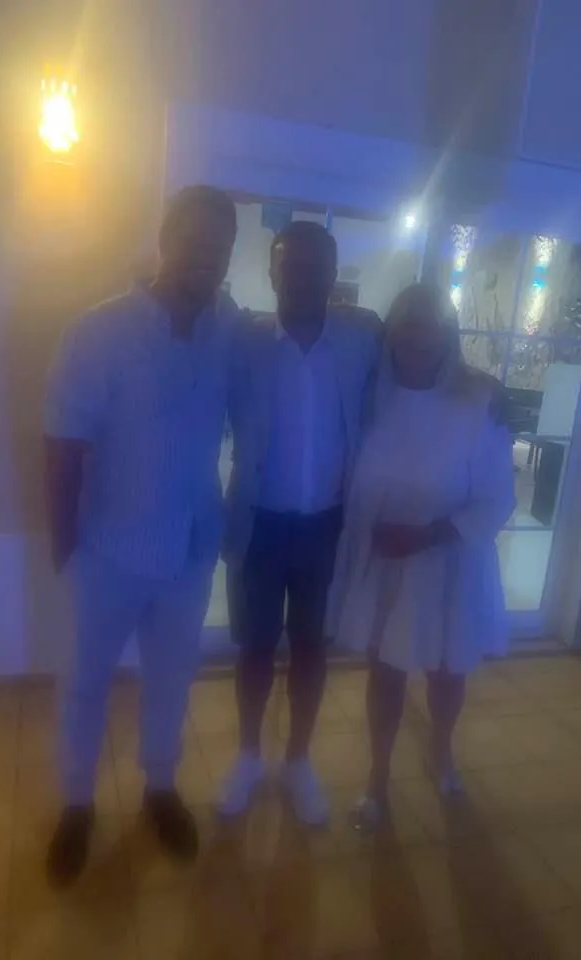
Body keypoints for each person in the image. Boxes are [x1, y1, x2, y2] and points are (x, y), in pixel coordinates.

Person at [43, 185, 238, 883]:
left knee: (171, 680)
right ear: (165, 238)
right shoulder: (98, 333)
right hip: (107, 551)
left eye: (220, 244)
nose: (206, 254)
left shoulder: (229, 330)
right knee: (85, 684)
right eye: (194, 238)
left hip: (190, 550)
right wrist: (65, 550)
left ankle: (160, 788)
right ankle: (76, 806)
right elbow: (62, 444)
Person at [326, 282, 515, 829]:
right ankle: (377, 779)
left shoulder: (479, 399)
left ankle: (441, 750)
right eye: (407, 321)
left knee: (445, 671)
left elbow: (498, 496)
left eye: (430, 322)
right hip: (385, 561)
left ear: (448, 331)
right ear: (390, 331)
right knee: (385, 673)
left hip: (448, 561)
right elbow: (345, 319)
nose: (418, 335)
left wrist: (428, 535)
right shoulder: (371, 395)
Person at [219, 220, 380, 824]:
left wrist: (480, 385)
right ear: (273, 272)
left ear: (333, 276)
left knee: (313, 649)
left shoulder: (362, 340)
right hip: (258, 526)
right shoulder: (243, 340)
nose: (304, 278)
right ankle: (247, 757)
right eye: (292, 266)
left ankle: (298, 761)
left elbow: (426, 350)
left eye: (317, 268)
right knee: (254, 649)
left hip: (328, 529)